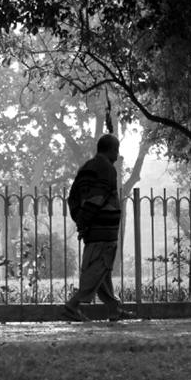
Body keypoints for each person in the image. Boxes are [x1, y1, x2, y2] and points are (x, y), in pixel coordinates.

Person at [61, 134, 136, 323]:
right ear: (110, 150)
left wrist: (81, 220)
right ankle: (72, 305)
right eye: (116, 151)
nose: (117, 156)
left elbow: (73, 198)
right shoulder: (107, 169)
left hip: (92, 229)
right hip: (103, 229)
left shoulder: (85, 168)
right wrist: (84, 221)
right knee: (97, 269)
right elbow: (98, 197)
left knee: (102, 269)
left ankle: (113, 309)